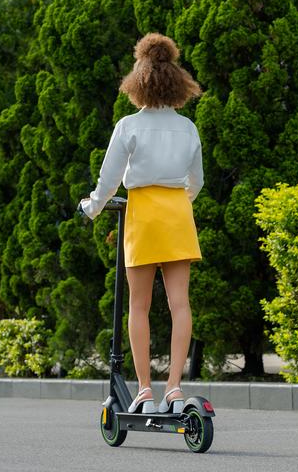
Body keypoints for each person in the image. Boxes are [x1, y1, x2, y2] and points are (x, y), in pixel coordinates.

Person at [78, 33, 204, 415]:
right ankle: (175, 389)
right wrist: (181, 203)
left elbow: (109, 178)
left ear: (139, 81)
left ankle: (145, 390)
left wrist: (93, 207)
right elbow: (195, 181)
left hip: (143, 212)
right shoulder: (188, 128)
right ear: (176, 81)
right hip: (178, 213)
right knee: (180, 303)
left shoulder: (128, 125)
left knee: (140, 305)